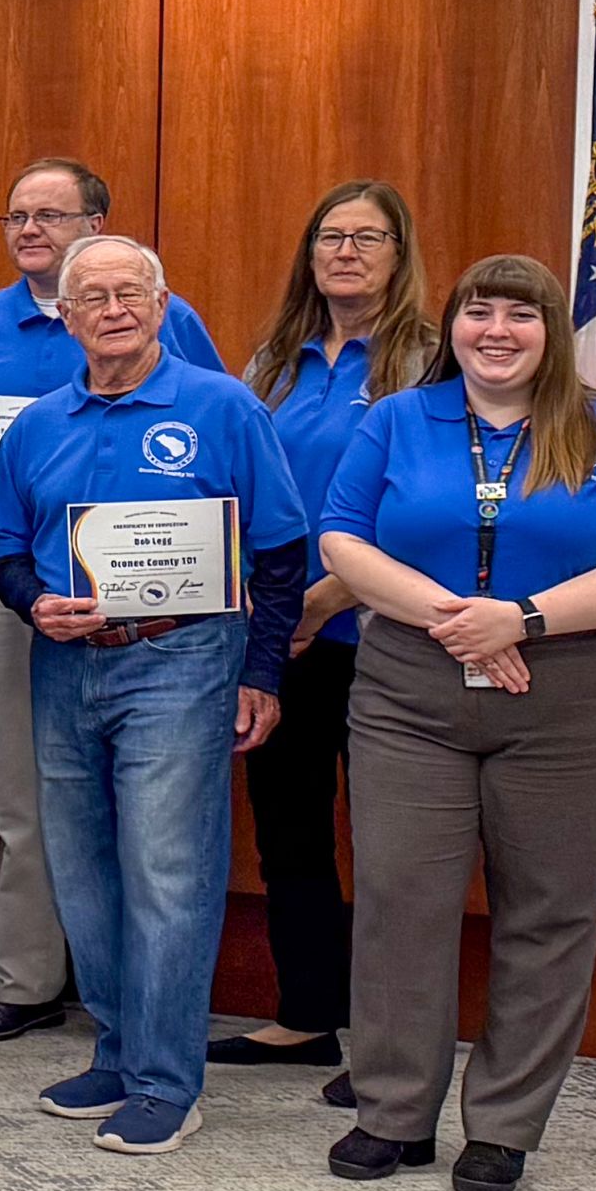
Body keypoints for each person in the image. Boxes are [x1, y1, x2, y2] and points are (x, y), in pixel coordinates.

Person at [318, 255, 596, 1191]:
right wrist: (458, 619)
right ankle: (393, 1114)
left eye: (520, 315)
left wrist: (520, 619)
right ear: (451, 326)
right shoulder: (397, 418)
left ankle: (504, 1125)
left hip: (575, 695)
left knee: (548, 912)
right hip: (411, 688)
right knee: (400, 899)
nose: (496, 331)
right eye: (477, 311)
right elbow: (343, 538)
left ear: (552, 330)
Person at [0, 235, 306, 1159]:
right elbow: (5, 548)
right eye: (93, 297)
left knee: (167, 867)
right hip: (65, 662)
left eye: (131, 293)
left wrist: (262, 672)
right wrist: (32, 603)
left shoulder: (223, 406)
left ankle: (168, 1081)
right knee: (80, 867)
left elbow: (283, 549)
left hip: (184, 655)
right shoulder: (37, 424)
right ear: (67, 317)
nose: (114, 309)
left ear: (163, 307)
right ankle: (119, 1052)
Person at [0, 158, 224, 1045]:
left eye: (52, 214)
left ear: (98, 225)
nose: (31, 230)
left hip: (158, 604)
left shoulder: (166, 315)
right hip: (24, 588)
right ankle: (28, 976)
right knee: (25, 790)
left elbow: (209, 443)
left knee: (152, 825)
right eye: (17, 216)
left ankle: (146, 1014)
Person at [217, 180, 437, 1087]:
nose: (345, 252)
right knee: (290, 833)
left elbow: (427, 512)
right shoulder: (273, 361)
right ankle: (308, 1016)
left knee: (394, 849)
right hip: (281, 637)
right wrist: (273, 606)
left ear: (400, 254)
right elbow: (233, 487)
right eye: (330, 236)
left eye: (367, 237)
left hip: (385, 639)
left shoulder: (430, 362)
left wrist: (325, 598)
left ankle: (390, 1047)